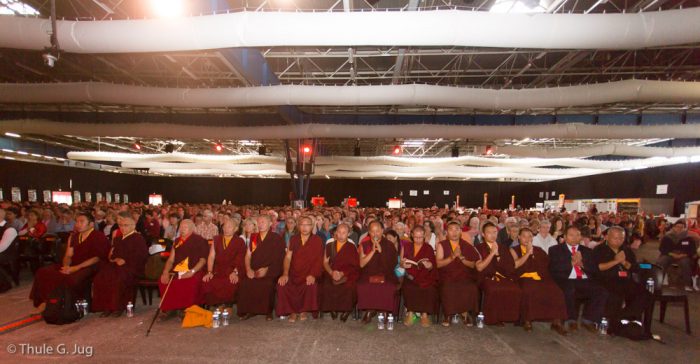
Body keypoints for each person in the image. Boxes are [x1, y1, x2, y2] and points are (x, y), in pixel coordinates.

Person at [29, 212, 110, 309]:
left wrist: (76, 268)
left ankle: (68, 304)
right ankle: (47, 301)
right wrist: (66, 266)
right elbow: (68, 255)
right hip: (74, 264)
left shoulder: (98, 236)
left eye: (81, 221)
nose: (78, 224)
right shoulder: (73, 237)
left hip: (91, 265)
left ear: (91, 224)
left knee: (72, 279)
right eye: (77, 222)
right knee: (43, 272)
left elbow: (97, 257)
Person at [593, 226, 653, 335]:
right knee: (614, 295)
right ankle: (615, 321)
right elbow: (598, 268)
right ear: (607, 237)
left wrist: (625, 263)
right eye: (615, 238)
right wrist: (616, 262)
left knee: (644, 293)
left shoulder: (626, 249)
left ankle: (624, 316)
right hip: (607, 280)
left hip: (625, 280)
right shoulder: (599, 249)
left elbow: (636, 268)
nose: (618, 241)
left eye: (621, 238)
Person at [548, 225, 608, 332]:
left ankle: (589, 319)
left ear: (581, 237)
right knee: (569, 289)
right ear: (565, 237)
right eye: (571, 235)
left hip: (584, 279)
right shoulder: (555, 249)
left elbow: (595, 269)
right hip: (566, 279)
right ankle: (571, 320)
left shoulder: (587, 251)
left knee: (601, 291)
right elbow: (554, 268)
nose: (575, 238)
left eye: (578, 235)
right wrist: (571, 263)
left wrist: (582, 264)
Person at [511, 227, 568, 335]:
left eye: (529, 236)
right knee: (529, 290)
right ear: (519, 237)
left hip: (541, 276)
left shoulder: (538, 249)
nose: (527, 239)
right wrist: (528, 253)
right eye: (524, 236)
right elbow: (515, 265)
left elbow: (546, 264)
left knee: (556, 291)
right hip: (524, 277)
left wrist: (534, 255)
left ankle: (557, 321)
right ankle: (527, 320)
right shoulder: (514, 249)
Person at [91, 215, 148, 317]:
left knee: (118, 278)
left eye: (126, 225)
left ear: (133, 226)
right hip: (116, 265)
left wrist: (125, 260)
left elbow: (142, 256)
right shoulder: (117, 239)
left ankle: (118, 307)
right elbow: (113, 254)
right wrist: (114, 258)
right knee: (101, 277)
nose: (122, 227)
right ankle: (107, 307)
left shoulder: (138, 238)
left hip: (132, 267)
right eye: (121, 225)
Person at [237, 214, 286, 320]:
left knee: (267, 284)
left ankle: (267, 311)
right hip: (254, 269)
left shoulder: (277, 238)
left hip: (271, 270)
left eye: (263, 222)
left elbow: (280, 258)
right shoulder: (254, 237)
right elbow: (248, 255)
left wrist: (267, 269)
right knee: (245, 282)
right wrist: (248, 269)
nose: (260, 224)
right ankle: (250, 310)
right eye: (259, 222)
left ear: (270, 224)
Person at [276, 216, 324, 322]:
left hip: (310, 273)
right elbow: (288, 257)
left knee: (310, 285)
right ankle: (292, 312)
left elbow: (319, 260)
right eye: (302, 224)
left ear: (312, 227)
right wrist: (285, 274)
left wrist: (313, 275)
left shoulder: (317, 240)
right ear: (298, 226)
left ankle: (303, 311)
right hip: (294, 273)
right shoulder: (294, 239)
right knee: (283, 285)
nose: (304, 227)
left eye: (307, 225)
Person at [157, 219, 209, 317]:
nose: (182, 229)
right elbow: (171, 260)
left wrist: (192, 271)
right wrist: (165, 271)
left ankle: (186, 308)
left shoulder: (199, 240)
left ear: (192, 229)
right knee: (163, 280)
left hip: (194, 269)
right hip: (178, 270)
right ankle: (170, 308)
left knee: (190, 281)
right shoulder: (177, 241)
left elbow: (203, 260)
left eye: (185, 227)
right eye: (181, 227)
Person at [476, 222, 522, 326]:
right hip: (486, 277)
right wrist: (492, 253)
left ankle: (508, 317)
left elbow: (509, 266)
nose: (493, 235)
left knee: (515, 289)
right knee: (494, 289)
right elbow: (480, 268)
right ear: (483, 234)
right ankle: (494, 318)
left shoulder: (503, 247)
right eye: (489, 232)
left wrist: (498, 256)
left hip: (502, 276)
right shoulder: (479, 247)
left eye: (495, 232)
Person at [436, 220, 480, 327]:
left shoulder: (467, 245)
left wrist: (461, 258)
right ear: (447, 232)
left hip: (463, 276)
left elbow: (473, 265)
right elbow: (438, 264)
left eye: (457, 229)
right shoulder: (442, 245)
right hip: (447, 275)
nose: (454, 232)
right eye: (451, 229)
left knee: (470, 287)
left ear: (461, 232)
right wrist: (452, 257)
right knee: (448, 287)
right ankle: (448, 314)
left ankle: (465, 313)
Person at [357, 220, 399, 324]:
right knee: (363, 286)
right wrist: (372, 251)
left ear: (382, 231)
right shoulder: (364, 244)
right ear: (369, 232)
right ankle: (369, 310)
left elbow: (392, 265)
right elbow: (362, 264)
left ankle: (384, 311)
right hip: (368, 274)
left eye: (378, 231)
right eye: (372, 231)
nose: (375, 234)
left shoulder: (389, 245)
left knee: (387, 286)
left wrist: (381, 252)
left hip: (386, 274)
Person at [200, 220, 246, 310]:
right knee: (207, 281)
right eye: (224, 227)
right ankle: (215, 304)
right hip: (217, 269)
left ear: (235, 229)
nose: (226, 229)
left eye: (229, 227)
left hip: (233, 269)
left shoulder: (240, 241)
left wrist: (235, 272)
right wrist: (209, 272)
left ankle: (227, 304)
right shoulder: (216, 239)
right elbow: (211, 257)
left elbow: (240, 259)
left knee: (231, 282)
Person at [400, 225, 438, 327]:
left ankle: (424, 314)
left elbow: (432, 266)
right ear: (412, 235)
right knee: (409, 287)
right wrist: (403, 264)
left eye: (420, 237)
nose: (418, 240)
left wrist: (429, 266)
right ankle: (410, 313)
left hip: (425, 277)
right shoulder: (407, 246)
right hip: (410, 277)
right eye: (416, 237)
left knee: (429, 288)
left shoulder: (428, 248)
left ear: (424, 236)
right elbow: (401, 263)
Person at [320, 223, 359, 322]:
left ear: (348, 234)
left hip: (347, 273)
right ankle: (332, 308)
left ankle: (346, 311)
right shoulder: (330, 245)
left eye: (344, 233)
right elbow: (325, 262)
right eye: (339, 232)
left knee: (349, 287)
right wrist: (331, 272)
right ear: (336, 233)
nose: (341, 235)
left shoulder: (351, 247)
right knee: (326, 285)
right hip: (331, 271)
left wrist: (342, 273)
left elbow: (355, 265)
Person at [656, 220, 698, 291]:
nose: (679, 229)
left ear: (685, 228)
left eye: (682, 227)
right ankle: (658, 281)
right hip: (670, 254)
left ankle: (687, 284)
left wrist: (682, 255)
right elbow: (662, 249)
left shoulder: (689, 238)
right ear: (674, 227)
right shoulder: (668, 236)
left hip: (684, 256)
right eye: (677, 227)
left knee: (685, 263)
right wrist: (672, 254)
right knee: (661, 261)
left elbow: (692, 250)